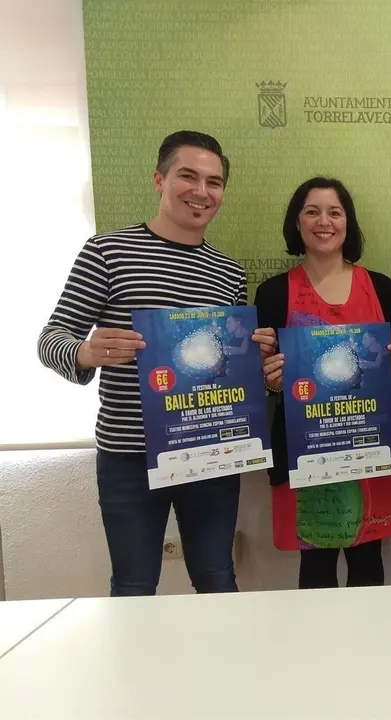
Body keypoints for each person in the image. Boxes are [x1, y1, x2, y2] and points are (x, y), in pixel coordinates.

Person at [37, 130, 276, 596]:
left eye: (214, 182)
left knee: (217, 577)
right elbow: (51, 338)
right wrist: (85, 352)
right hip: (130, 453)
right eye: (188, 176)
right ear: (159, 179)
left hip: (211, 450)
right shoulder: (107, 252)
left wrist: (256, 360)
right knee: (133, 585)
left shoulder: (228, 271)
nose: (201, 191)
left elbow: (228, 364)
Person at [255, 177, 391, 589]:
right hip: (308, 454)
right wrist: (271, 381)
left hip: (369, 448)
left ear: (348, 222)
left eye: (334, 212)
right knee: (316, 566)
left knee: (368, 562)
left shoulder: (381, 288)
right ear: (297, 222)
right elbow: (266, 381)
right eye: (312, 212)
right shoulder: (272, 294)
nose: (324, 222)